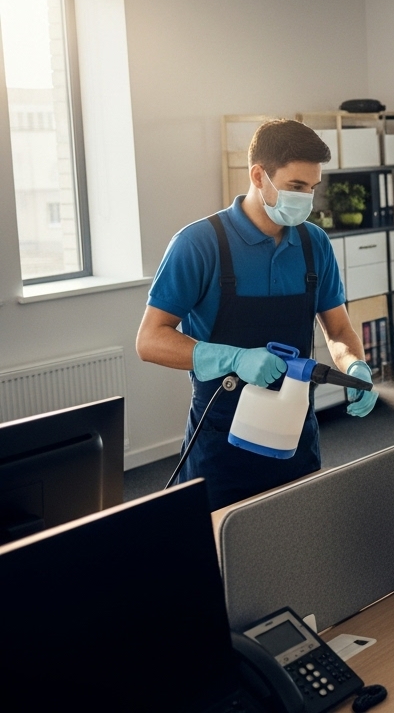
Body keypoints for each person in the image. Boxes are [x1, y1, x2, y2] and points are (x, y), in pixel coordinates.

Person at [136, 119, 379, 509]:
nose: (306, 198)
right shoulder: (199, 244)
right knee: (218, 544)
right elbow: (149, 340)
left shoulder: (314, 243)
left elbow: (337, 330)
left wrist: (354, 364)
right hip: (222, 442)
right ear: (258, 175)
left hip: (294, 435)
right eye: (296, 186)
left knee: (301, 534)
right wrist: (234, 358)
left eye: (312, 188)